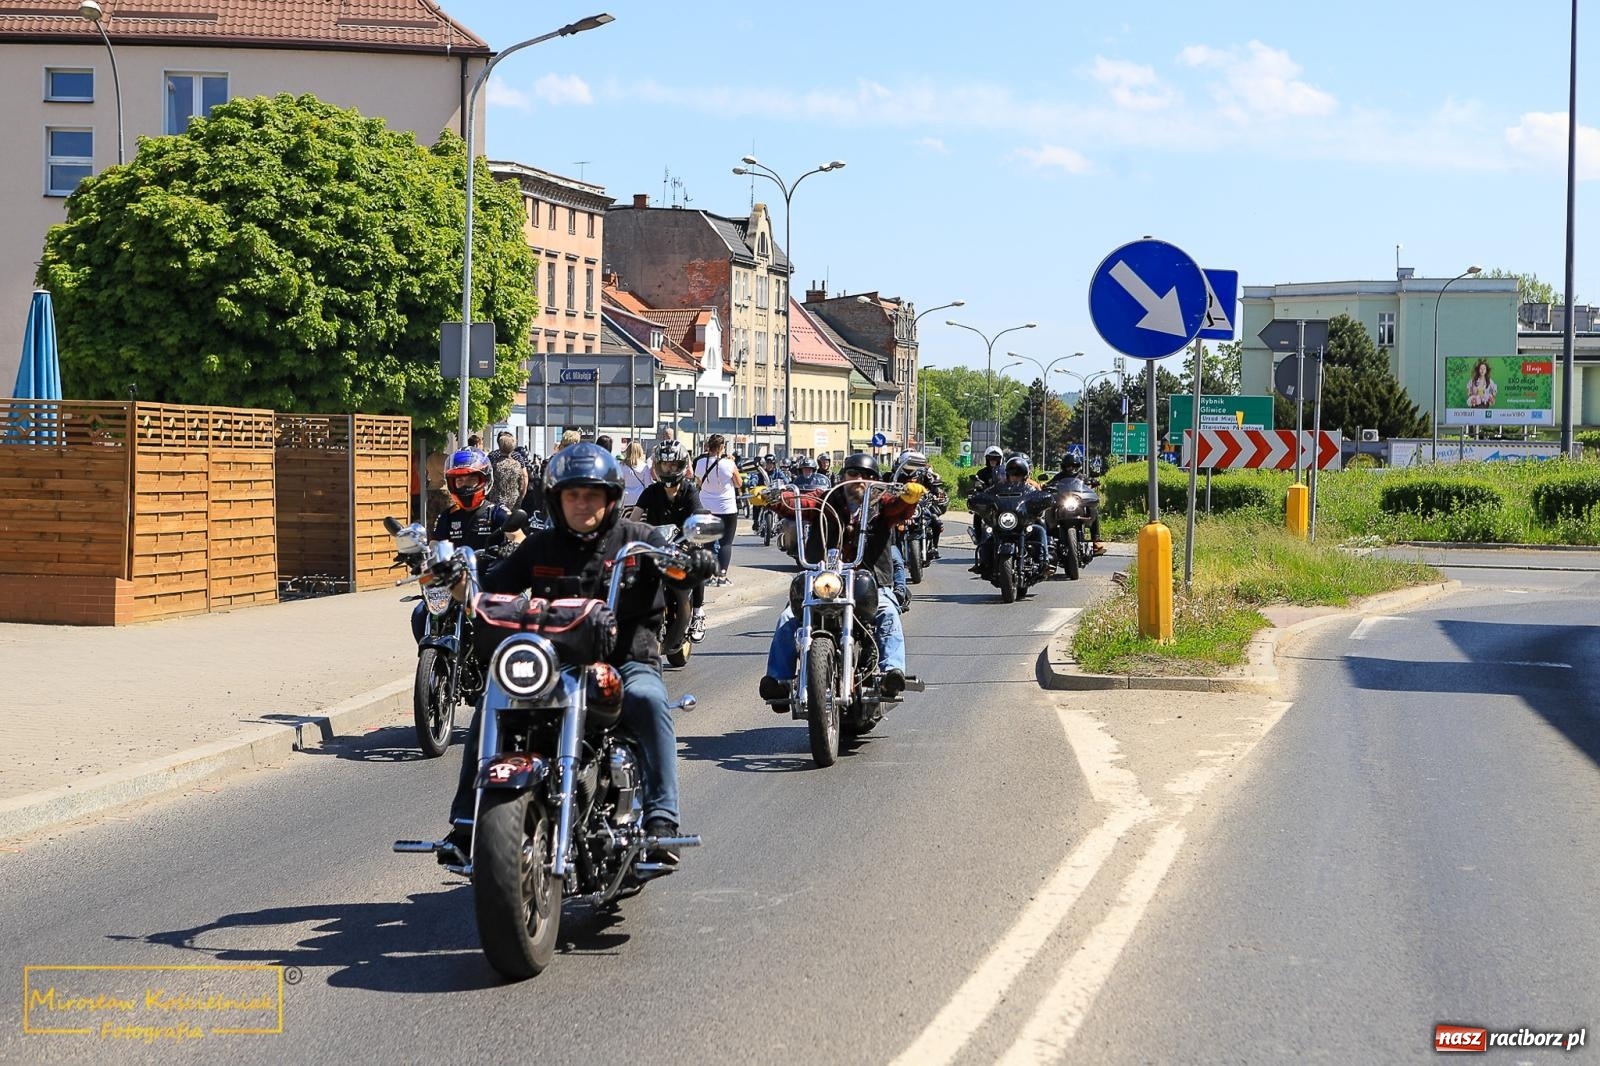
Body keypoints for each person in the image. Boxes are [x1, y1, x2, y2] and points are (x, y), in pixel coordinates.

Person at [438, 443, 716, 864]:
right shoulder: (542, 547)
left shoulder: (639, 539)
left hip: (627, 660)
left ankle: (662, 821)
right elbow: (489, 590)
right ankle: (466, 823)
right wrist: (457, 581)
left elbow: (679, 566)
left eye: (592, 495)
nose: (582, 503)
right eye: (573, 495)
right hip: (554, 663)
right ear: (557, 499)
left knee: (649, 699)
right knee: (491, 700)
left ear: (610, 498)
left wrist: (693, 562)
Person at [754, 453, 922, 708]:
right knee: (789, 617)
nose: (860, 480)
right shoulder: (826, 501)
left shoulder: (882, 504)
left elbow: (900, 508)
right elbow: (797, 503)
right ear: (842, 476)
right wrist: (771, 499)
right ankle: (779, 680)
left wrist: (910, 497)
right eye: (854, 474)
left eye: (867, 476)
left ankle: (891, 672)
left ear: (875, 481)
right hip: (825, 579)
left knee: (888, 613)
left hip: (870, 582)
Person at [411, 450, 516, 643]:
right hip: (455, 584)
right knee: (420, 613)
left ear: (484, 480)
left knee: (518, 609)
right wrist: (424, 559)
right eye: (459, 481)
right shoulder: (447, 516)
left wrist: (513, 546)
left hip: (489, 582)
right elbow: (434, 547)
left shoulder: (496, 513)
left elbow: (517, 535)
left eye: (470, 480)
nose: (464, 485)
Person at [636, 440, 710, 642]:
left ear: (682, 465)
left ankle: (698, 612)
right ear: (657, 467)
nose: (669, 469)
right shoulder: (651, 491)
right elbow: (634, 517)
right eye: (664, 464)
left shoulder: (689, 491)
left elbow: (699, 514)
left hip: (684, 544)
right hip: (655, 546)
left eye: (673, 464)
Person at [692, 434, 740, 585]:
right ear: (721, 447)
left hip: (706, 506)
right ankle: (722, 576)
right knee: (726, 543)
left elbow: (698, 481)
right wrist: (732, 463)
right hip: (727, 507)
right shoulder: (729, 464)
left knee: (708, 542)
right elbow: (738, 483)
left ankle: (710, 575)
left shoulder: (700, 463)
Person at [1046, 454, 1105, 553]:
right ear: (1064, 466)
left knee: (1092, 509)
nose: (1070, 468)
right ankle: (1048, 539)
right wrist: (1046, 485)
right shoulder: (1059, 476)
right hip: (1062, 503)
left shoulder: (1082, 477)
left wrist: (1094, 482)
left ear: (1078, 466)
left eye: (1073, 466)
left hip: (1078, 503)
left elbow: (1090, 482)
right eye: (1068, 466)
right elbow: (1049, 484)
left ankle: (1096, 540)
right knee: (1048, 510)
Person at [488, 432, 528, 512]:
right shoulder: (517, 464)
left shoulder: (494, 464)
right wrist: (521, 497)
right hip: (513, 502)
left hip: (496, 502)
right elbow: (523, 481)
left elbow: (488, 482)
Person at [619, 440, 654, 510]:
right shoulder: (644, 466)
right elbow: (648, 485)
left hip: (625, 499)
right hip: (640, 499)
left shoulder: (621, 465)